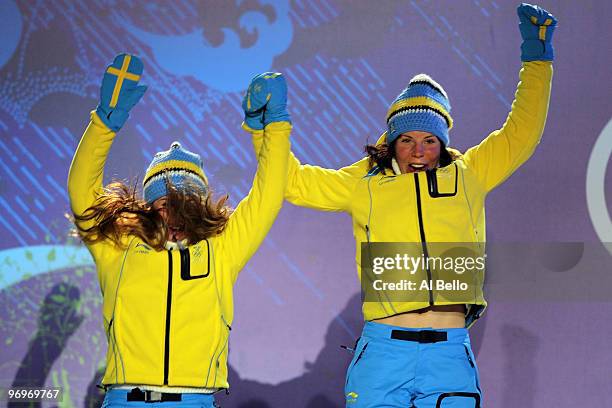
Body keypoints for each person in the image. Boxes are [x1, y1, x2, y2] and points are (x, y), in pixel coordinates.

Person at [245, 3, 556, 407]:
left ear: (443, 142)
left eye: (429, 140)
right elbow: (292, 182)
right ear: (391, 141)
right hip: (383, 353)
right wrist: (266, 128)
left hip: (448, 352)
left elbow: (522, 133)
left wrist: (537, 61)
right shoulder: (365, 182)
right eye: (407, 139)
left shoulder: (470, 174)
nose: (419, 151)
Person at [68, 54, 291, 407]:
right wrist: (104, 123)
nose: (174, 214)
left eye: (185, 204)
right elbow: (83, 194)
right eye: (165, 204)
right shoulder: (119, 246)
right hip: (126, 399)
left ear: (199, 206)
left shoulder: (222, 247)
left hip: (195, 400)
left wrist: (275, 126)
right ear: (150, 205)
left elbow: (270, 193)